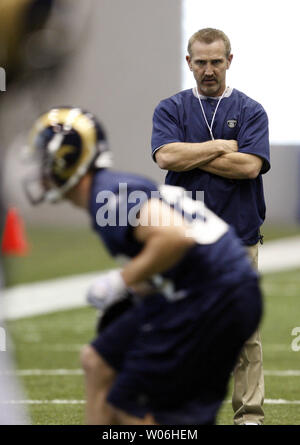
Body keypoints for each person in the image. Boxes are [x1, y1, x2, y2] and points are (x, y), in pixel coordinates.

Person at [24, 106, 262, 425]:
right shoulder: (109, 189)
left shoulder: (106, 195)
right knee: (97, 361)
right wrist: (138, 287)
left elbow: (174, 237)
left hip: (216, 294)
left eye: (43, 158)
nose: (39, 168)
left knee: (132, 407)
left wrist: (120, 281)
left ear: (66, 158)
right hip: (207, 288)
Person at [151, 28, 270, 425]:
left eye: (215, 61)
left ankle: (249, 416)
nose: (208, 70)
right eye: (200, 62)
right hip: (183, 240)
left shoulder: (252, 111)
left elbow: (249, 166)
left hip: (239, 238)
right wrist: (223, 145)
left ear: (229, 61)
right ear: (189, 62)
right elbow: (166, 157)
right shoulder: (170, 108)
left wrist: (192, 153)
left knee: (244, 334)